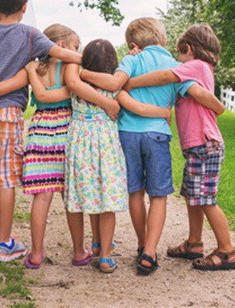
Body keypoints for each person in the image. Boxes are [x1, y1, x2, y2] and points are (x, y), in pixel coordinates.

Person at [80, 17, 225, 275]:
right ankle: (149, 250)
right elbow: (192, 92)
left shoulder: (131, 60)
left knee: (135, 191)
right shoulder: (177, 65)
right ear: (164, 39)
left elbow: (115, 87)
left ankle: (140, 242)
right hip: (157, 135)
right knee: (158, 195)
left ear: (134, 44)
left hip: (127, 134)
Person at [0, 0, 81, 262]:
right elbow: (62, 54)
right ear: (25, 7)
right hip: (9, 115)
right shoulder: (29, 34)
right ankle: (4, 244)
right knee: (5, 179)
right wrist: (92, 59)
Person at [126, 24, 235, 271]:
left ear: (187, 49)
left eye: (179, 55)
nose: (176, 61)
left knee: (206, 199)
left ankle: (227, 250)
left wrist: (131, 83)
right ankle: (194, 243)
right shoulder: (200, 69)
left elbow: (166, 76)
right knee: (193, 197)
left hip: (205, 143)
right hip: (197, 146)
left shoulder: (195, 67)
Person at [62, 39, 172, 274]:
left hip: (80, 147)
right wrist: (164, 112)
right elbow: (139, 109)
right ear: (113, 64)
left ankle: (93, 242)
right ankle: (105, 256)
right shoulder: (114, 91)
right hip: (106, 150)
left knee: (88, 195)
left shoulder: (77, 86)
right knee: (106, 202)